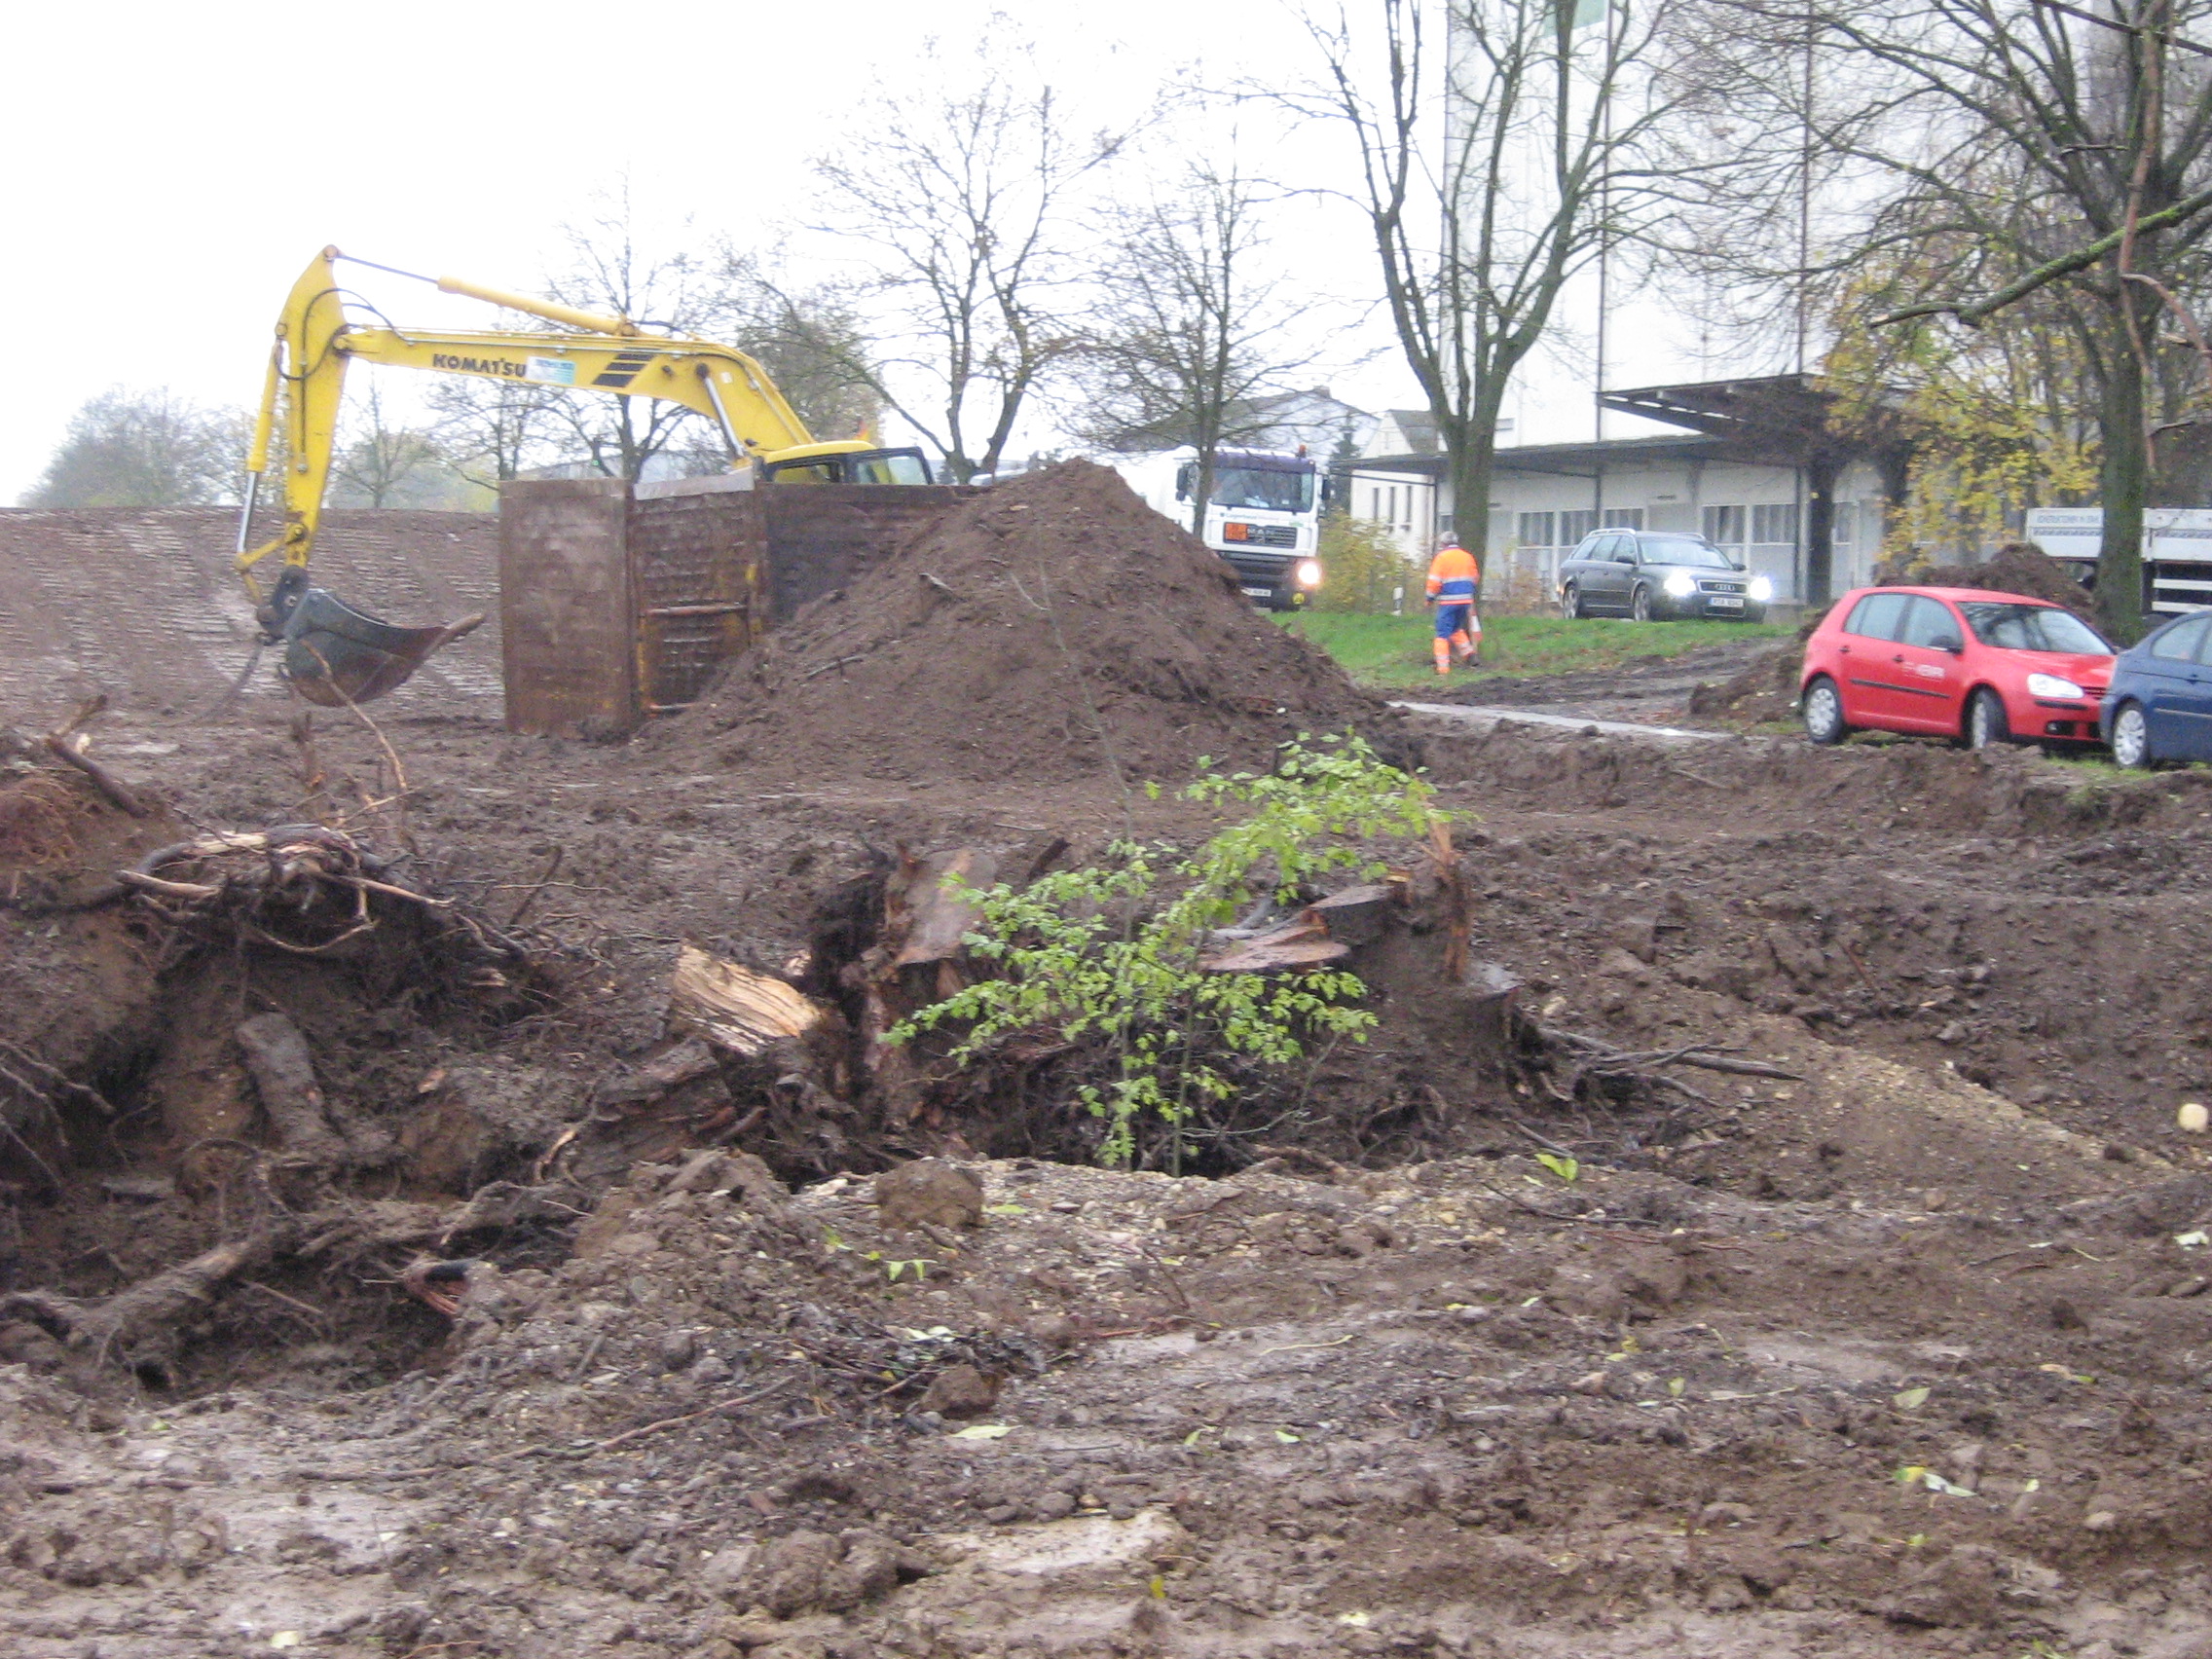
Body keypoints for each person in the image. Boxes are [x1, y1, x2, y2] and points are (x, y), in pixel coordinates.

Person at [1424, 539, 1482, 674]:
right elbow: (1474, 578)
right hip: (1466, 600)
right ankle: (1470, 655)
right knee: (1456, 629)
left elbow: (1434, 582)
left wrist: (1429, 598)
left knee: (1441, 634)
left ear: (1443, 544)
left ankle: (1443, 669)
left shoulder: (1442, 558)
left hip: (1448, 602)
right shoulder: (1467, 556)